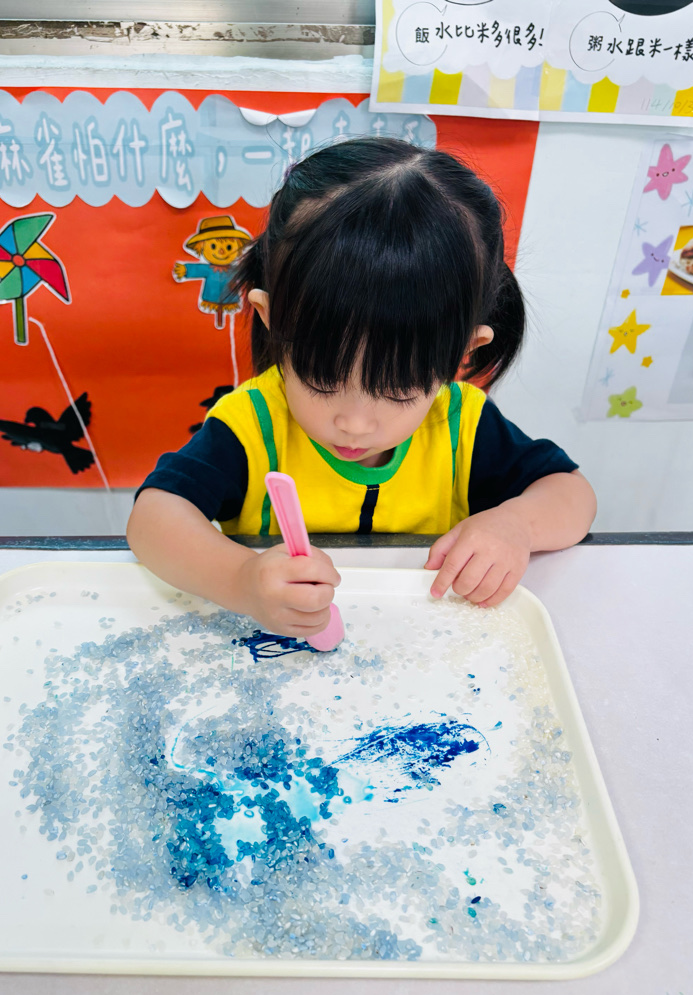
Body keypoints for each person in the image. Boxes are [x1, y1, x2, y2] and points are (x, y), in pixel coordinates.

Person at [128, 138, 596, 639]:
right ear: (270, 318)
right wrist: (240, 580)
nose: (353, 423)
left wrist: (516, 525)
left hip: (423, 649)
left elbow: (573, 495)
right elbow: (154, 519)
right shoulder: (252, 425)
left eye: (396, 391)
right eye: (322, 379)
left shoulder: (462, 425)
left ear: (463, 353)